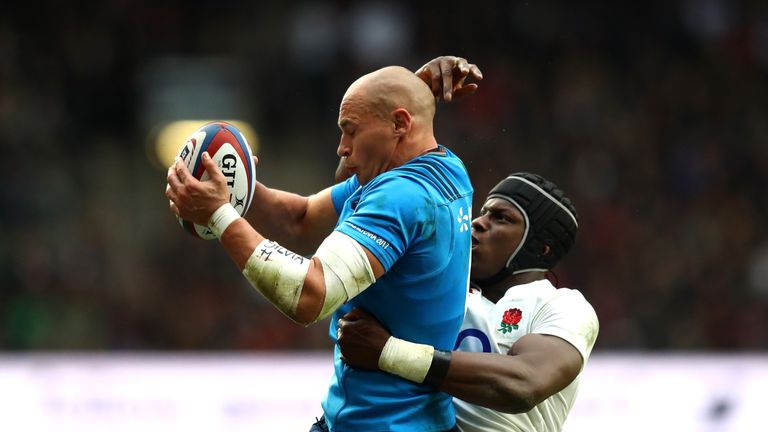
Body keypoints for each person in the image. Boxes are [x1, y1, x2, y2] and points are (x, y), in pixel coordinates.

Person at [165, 57, 480, 431]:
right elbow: (299, 218)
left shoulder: (401, 196)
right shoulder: (440, 167)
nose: (342, 148)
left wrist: (219, 214)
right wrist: (234, 186)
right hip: (384, 419)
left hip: (385, 424)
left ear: (400, 124)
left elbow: (308, 295)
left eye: (351, 131)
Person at [337, 173, 599, 432]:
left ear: (539, 247)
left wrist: (389, 353)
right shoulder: (440, 289)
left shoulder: (562, 306)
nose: (478, 223)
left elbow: (523, 383)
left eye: (501, 218)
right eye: (483, 212)